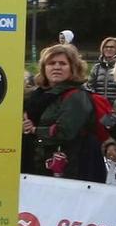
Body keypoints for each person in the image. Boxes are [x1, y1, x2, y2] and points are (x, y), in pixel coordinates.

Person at [21, 43, 106, 181]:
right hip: (38, 164)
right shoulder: (37, 95)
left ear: (73, 68)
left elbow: (65, 131)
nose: (56, 67)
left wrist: (34, 130)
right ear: (43, 68)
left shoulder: (77, 96)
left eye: (62, 63)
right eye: (51, 63)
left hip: (70, 167)